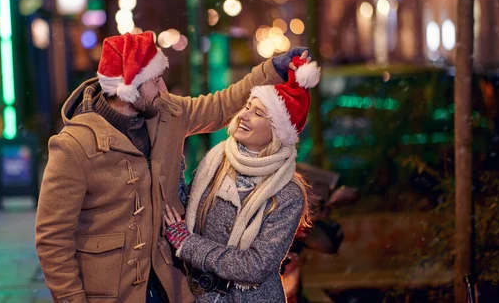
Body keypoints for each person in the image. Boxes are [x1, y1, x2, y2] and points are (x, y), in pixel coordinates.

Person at [35, 31, 310, 303]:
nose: (164, 89)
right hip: (111, 292)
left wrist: (272, 69)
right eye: (155, 81)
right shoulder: (72, 147)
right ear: (128, 88)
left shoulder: (166, 112)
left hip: (170, 285)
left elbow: (221, 106)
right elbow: (52, 239)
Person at [163, 54, 320, 302]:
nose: (244, 116)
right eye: (247, 107)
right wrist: (171, 156)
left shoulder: (288, 193)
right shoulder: (216, 162)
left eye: (258, 113)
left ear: (277, 132)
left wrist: (189, 245)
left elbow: (254, 267)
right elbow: (187, 208)